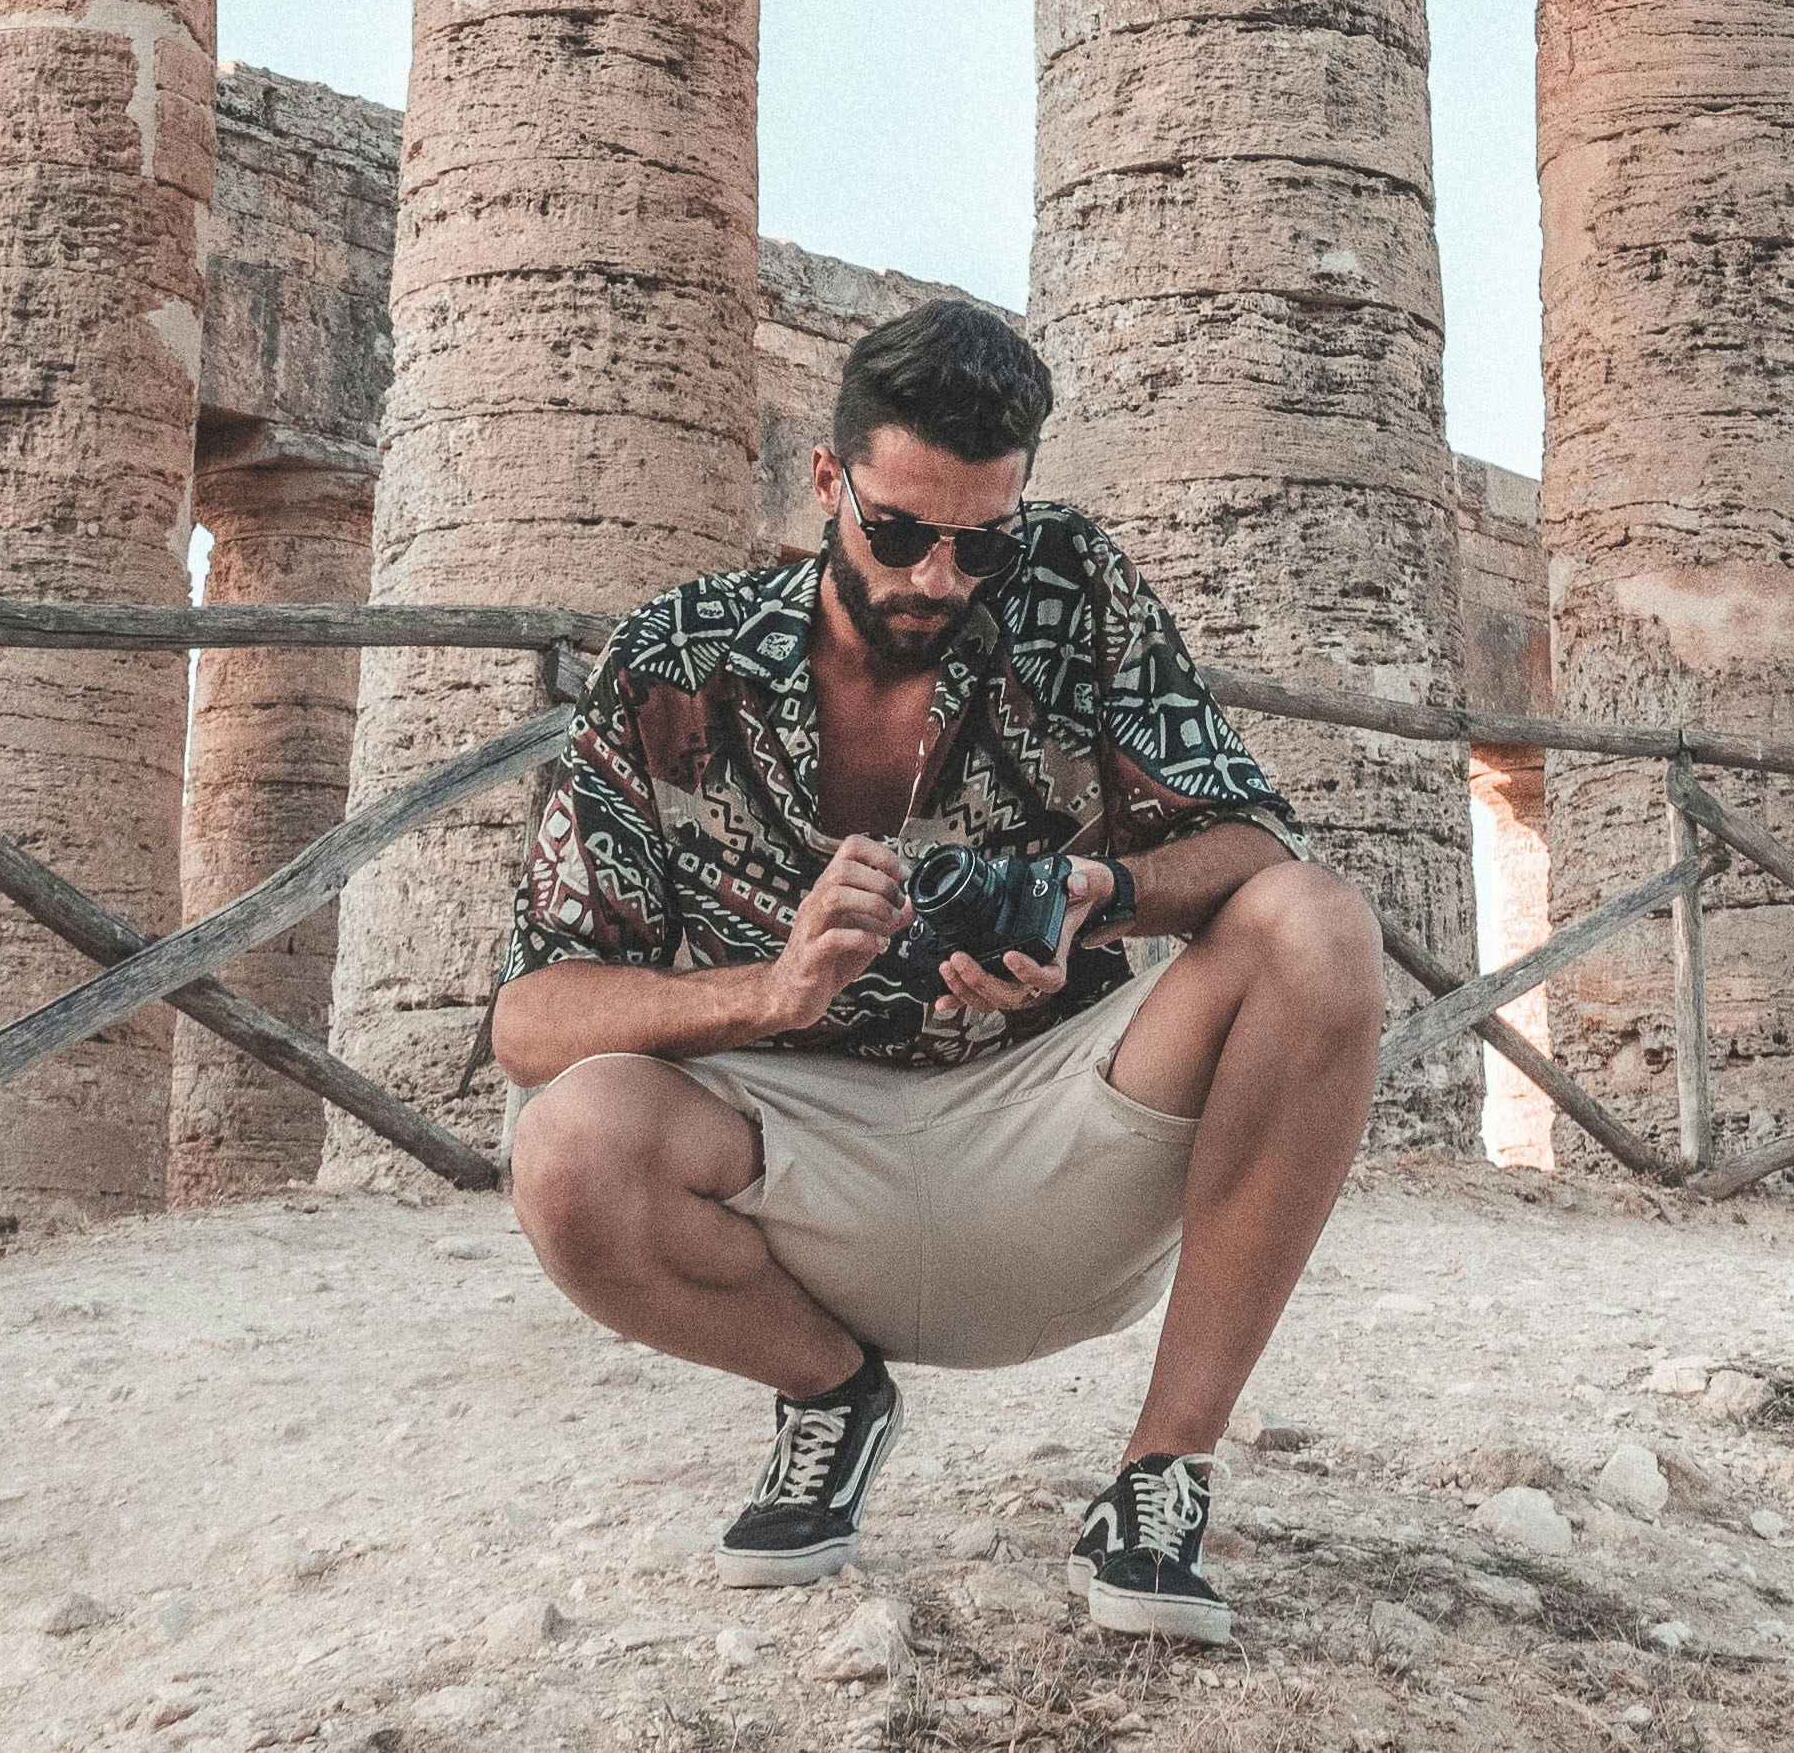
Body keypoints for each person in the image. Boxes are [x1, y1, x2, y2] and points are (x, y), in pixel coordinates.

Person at [492, 296, 1384, 1646]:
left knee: (1316, 924)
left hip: (1052, 1130)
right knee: (567, 1142)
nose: (936, 580)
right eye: (898, 534)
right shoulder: (675, 656)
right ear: (825, 482)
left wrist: (1098, 895)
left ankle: (1162, 1474)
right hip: (791, 1152)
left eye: (981, 543)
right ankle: (834, 1395)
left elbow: (1255, 832)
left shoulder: (1070, 585)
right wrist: (768, 992)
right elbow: (529, 1016)